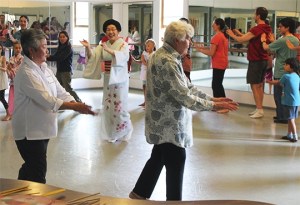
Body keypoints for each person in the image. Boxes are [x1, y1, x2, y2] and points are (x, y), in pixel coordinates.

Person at [129, 20, 238, 201]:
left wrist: (212, 99)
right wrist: (214, 106)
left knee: (158, 157)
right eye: (188, 38)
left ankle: (138, 194)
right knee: (176, 159)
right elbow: (184, 96)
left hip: (163, 122)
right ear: (178, 39)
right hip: (168, 124)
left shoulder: (166, 56)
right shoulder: (167, 61)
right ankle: (173, 202)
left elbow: (188, 87)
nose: (190, 42)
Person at [12, 29, 96, 184]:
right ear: (32, 50)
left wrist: (76, 103)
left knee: (31, 167)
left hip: (40, 129)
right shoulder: (26, 73)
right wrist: (75, 107)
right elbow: (48, 100)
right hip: (28, 132)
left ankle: (18, 192)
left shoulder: (44, 68)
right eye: (44, 46)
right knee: (37, 172)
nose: (47, 50)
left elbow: (60, 91)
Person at [80, 19, 133, 143]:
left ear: (118, 30)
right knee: (109, 106)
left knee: (119, 107)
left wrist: (108, 49)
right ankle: (112, 133)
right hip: (108, 78)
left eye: (113, 29)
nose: (110, 32)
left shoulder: (123, 44)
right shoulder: (103, 44)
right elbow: (93, 57)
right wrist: (88, 47)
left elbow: (124, 57)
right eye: (108, 29)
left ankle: (125, 130)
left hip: (120, 80)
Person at [226, 7, 272, 119]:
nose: (253, 15)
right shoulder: (267, 28)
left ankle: (260, 109)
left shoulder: (257, 28)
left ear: (258, 16)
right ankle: (259, 108)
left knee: (255, 85)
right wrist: (239, 34)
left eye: (254, 13)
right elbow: (249, 38)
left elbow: (242, 40)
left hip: (256, 60)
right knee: (259, 85)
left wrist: (231, 34)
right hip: (263, 60)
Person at [261, 17, 299, 124]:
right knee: (286, 96)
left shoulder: (282, 40)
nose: (279, 28)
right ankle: (283, 115)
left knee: (278, 96)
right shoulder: (295, 40)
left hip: (281, 71)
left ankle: (282, 117)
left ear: (287, 28)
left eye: (281, 26)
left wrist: (263, 40)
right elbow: (280, 50)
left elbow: (266, 48)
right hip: (291, 72)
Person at [267, 58, 300, 142]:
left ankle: (295, 136)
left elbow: (278, 83)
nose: (284, 66)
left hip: (289, 101)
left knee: (291, 119)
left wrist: (269, 81)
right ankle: (289, 134)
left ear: (291, 67)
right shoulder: (297, 76)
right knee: (290, 118)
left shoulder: (286, 76)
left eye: (286, 64)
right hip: (296, 101)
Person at [196, 18, 228, 98]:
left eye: (213, 23)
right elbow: (215, 50)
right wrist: (203, 48)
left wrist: (200, 50)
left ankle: (220, 105)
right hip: (222, 62)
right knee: (218, 84)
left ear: (218, 25)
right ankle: (223, 104)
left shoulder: (216, 37)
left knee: (216, 85)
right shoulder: (222, 36)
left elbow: (211, 53)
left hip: (219, 63)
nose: (212, 25)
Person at [47, 31, 82, 102]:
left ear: (67, 38)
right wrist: (47, 57)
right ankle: (60, 103)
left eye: (64, 37)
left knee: (68, 88)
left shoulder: (68, 48)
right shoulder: (60, 46)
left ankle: (79, 102)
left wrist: (48, 57)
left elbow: (60, 57)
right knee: (58, 87)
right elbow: (56, 56)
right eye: (60, 37)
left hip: (66, 71)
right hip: (59, 70)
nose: (62, 38)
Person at [5, 41, 24, 121]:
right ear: (13, 48)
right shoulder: (11, 58)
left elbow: (20, 70)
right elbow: (9, 71)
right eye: (16, 48)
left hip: (20, 82)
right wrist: (8, 70)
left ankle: (20, 114)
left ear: (22, 48)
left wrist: (11, 69)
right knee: (11, 98)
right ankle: (10, 113)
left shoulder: (22, 58)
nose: (18, 49)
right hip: (13, 82)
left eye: (19, 48)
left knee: (21, 98)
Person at [139, 38, 156, 107]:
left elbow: (153, 63)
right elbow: (142, 60)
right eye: (146, 46)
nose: (147, 47)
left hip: (151, 72)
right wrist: (147, 64)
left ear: (153, 46)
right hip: (144, 71)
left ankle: (150, 102)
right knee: (144, 86)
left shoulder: (154, 54)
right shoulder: (144, 53)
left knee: (150, 87)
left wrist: (148, 64)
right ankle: (145, 101)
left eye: (149, 46)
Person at [179, 17, 193, 82]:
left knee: (186, 80)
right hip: (180, 61)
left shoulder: (187, 36)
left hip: (184, 61)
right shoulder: (180, 35)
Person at [0, 44, 9, 121]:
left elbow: (5, 69)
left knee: (1, 97)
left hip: (2, 79)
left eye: (0, 48)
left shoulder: (3, 58)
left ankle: (8, 113)